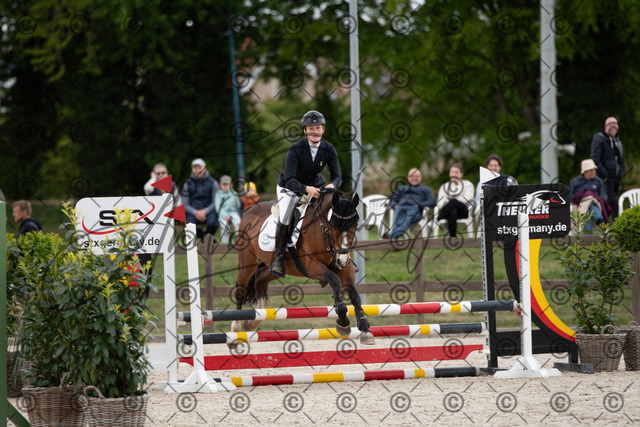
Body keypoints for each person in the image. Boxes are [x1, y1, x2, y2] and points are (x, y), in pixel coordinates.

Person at [270, 110, 342, 278]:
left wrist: (333, 185)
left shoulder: (329, 148)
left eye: (317, 128)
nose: (314, 131)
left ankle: (340, 254)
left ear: (323, 129)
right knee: (286, 216)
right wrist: (306, 189)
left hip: (316, 186)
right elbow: (290, 178)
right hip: (290, 188)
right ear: (305, 131)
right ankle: (279, 259)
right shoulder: (295, 149)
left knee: (333, 210)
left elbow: (338, 176)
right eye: (311, 128)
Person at [591, 116, 625, 219]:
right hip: (604, 179)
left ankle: (604, 226)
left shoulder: (617, 140)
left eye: (615, 124)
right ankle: (615, 226)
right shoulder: (599, 138)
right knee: (613, 203)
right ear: (605, 126)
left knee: (609, 205)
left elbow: (620, 159)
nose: (613, 126)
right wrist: (604, 175)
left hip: (615, 178)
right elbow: (595, 159)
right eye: (610, 124)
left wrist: (621, 173)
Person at [387, 168, 436, 239]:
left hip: (414, 210)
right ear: (408, 178)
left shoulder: (425, 189)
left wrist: (419, 205)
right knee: (397, 221)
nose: (414, 178)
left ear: (420, 178)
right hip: (400, 208)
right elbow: (392, 200)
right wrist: (395, 206)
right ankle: (394, 238)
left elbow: (432, 201)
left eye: (416, 176)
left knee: (406, 220)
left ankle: (391, 236)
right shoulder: (401, 188)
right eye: (412, 176)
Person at [569, 159, 610, 234]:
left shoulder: (598, 181)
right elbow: (570, 196)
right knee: (588, 202)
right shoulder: (575, 182)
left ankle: (587, 235)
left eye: (594, 169)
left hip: (596, 204)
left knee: (590, 201)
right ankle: (600, 220)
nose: (593, 172)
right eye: (591, 170)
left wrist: (594, 199)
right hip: (579, 206)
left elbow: (604, 196)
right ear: (585, 172)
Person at [182, 158, 219, 239]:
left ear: (204, 169)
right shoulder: (187, 184)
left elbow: (216, 202)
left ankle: (206, 238)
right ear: (192, 169)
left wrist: (205, 211)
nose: (197, 170)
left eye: (199, 168)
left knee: (213, 223)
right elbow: (184, 204)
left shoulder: (213, 183)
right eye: (195, 168)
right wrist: (195, 212)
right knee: (187, 226)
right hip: (192, 212)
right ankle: (204, 237)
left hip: (209, 211)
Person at [436, 164, 475, 238]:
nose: (454, 174)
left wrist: (452, 200)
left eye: (456, 172)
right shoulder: (445, 186)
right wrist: (451, 203)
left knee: (453, 201)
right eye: (452, 172)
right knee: (453, 211)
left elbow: (468, 199)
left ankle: (439, 217)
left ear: (461, 174)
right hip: (449, 212)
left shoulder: (468, 184)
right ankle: (453, 237)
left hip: (463, 211)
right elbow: (439, 202)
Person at [215, 175, 242, 244]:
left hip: (233, 213)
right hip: (222, 214)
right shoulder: (218, 195)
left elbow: (238, 205)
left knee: (238, 223)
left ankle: (238, 242)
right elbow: (218, 207)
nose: (226, 186)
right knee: (224, 226)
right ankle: (225, 244)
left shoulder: (234, 193)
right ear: (220, 185)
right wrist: (225, 216)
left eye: (227, 184)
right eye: (224, 184)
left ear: (231, 185)